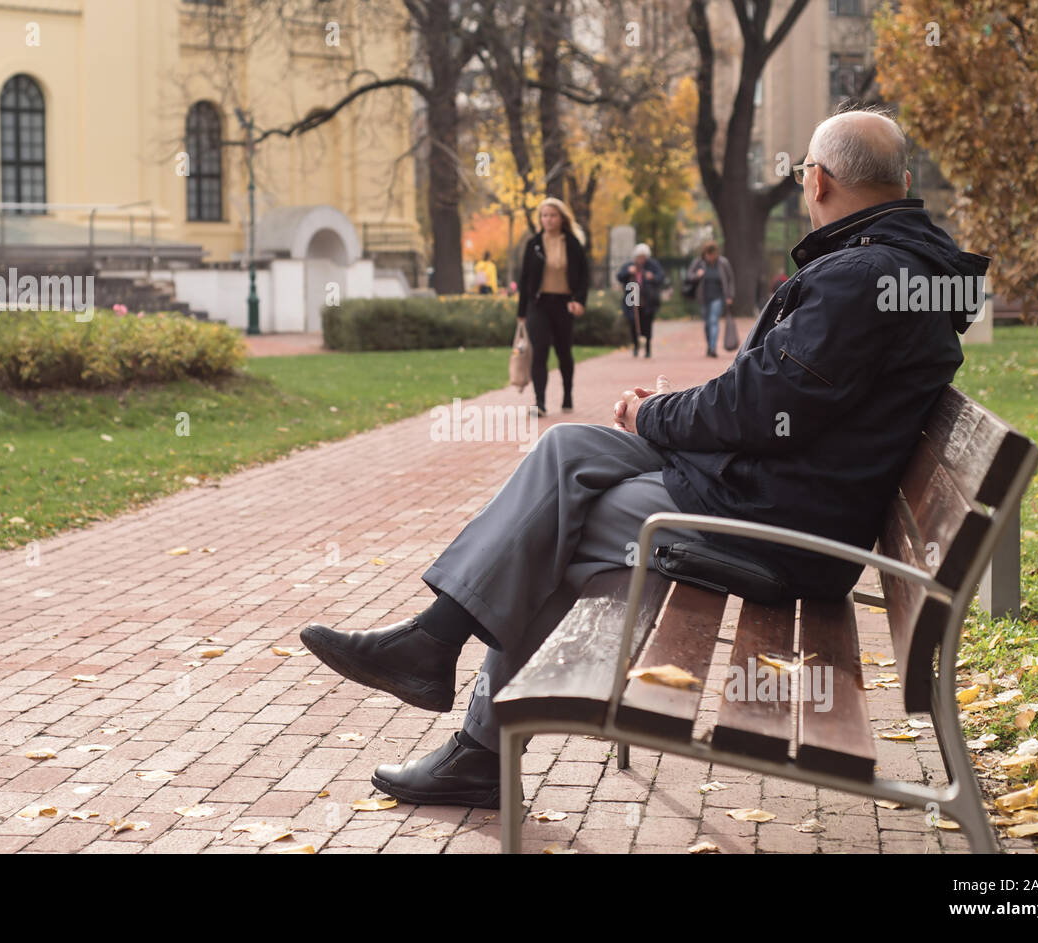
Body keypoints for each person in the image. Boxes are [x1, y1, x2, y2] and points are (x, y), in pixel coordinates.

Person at [301, 107, 988, 808]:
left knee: (559, 529)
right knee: (568, 450)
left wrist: (655, 413)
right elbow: (773, 400)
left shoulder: (862, 276)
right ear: (902, 182)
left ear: (818, 180)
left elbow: (759, 410)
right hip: (768, 488)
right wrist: (656, 415)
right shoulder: (892, 265)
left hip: (775, 526)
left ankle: (472, 737)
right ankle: (436, 649)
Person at [506, 197, 589, 416]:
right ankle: (540, 402)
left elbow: (583, 276)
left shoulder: (572, 243)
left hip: (564, 304)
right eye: (544, 215)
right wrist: (521, 312)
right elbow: (524, 279)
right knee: (539, 351)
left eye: (552, 215)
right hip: (538, 305)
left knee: (564, 352)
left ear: (561, 218)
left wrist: (579, 301)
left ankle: (567, 396)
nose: (548, 219)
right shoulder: (533, 244)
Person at [616, 243, 666, 358]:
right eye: (639, 257)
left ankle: (648, 347)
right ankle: (636, 346)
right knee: (633, 323)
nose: (641, 260)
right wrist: (628, 272)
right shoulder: (630, 265)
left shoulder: (652, 266)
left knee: (647, 324)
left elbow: (661, 277)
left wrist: (652, 277)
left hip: (647, 300)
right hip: (632, 299)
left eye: (643, 257)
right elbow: (619, 276)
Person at [685, 241, 735, 357]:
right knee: (707, 324)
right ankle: (709, 346)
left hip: (718, 297)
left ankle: (713, 348)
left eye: (713, 254)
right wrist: (697, 275)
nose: (711, 257)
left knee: (713, 321)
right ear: (705, 254)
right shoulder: (698, 263)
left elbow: (730, 279)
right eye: (709, 254)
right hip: (703, 298)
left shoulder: (723, 263)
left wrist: (730, 296)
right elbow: (689, 276)